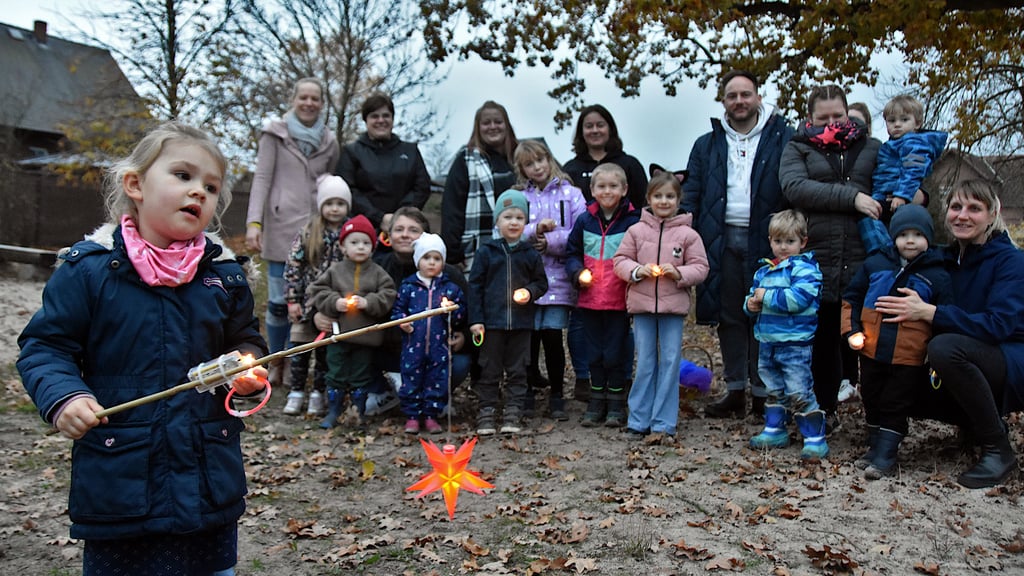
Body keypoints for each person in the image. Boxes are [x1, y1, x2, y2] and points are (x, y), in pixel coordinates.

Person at [17, 122, 268, 576]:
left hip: (206, 478)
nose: (199, 192)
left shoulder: (225, 278)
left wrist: (246, 373)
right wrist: (65, 396)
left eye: (210, 186)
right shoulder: (90, 271)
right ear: (134, 184)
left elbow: (246, 342)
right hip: (121, 482)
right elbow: (44, 347)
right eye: (183, 176)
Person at [874, 179, 1024, 489]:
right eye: (956, 207)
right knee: (898, 370)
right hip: (968, 356)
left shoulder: (1012, 261)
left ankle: (998, 449)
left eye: (974, 209)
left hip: (1010, 358)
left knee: (945, 348)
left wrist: (930, 313)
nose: (963, 216)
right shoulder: (944, 258)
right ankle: (968, 426)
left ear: (993, 213)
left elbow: (998, 325)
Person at [682, 69, 794, 419]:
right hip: (721, 237)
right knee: (730, 316)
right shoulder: (706, 143)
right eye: (732, 96)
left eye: (746, 94)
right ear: (724, 102)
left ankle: (763, 391)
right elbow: (693, 193)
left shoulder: (783, 138)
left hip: (770, 238)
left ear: (758, 97)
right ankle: (734, 389)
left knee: (765, 315)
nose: (739, 101)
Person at [779, 84, 881, 432]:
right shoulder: (797, 148)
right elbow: (795, 188)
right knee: (822, 341)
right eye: (823, 118)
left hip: (863, 255)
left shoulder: (871, 147)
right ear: (810, 118)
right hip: (816, 257)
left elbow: (890, 185)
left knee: (865, 338)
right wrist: (852, 198)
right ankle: (824, 411)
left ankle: (880, 417)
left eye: (838, 115)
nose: (832, 122)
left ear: (847, 111)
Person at [841, 205, 954, 479]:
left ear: (929, 237)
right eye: (904, 234)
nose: (910, 240)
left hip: (909, 357)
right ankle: (875, 446)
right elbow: (851, 299)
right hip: (871, 350)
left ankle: (886, 455)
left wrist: (933, 352)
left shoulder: (937, 274)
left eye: (918, 234)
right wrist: (851, 331)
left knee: (896, 402)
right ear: (893, 237)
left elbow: (945, 315)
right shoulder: (875, 264)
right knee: (872, 396)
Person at [246, 78, 340, 388]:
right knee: (277, 302)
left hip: (316, 233)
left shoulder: (329, 141)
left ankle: (296, 356)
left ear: (322, 103)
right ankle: (276, 360)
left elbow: (330, 184)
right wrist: (254, 223)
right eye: (304, 97)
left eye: (315, 98)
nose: (309, 103)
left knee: (306, 301)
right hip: (280, 226)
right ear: (294, 99)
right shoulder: (275, 134)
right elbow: (261, 178)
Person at [613, 172, 709, 437]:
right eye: (658, 196)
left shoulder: (688, 235)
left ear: (678, 199)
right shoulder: (636, 230)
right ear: (648, 199)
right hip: (642, 307)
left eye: (669, 196)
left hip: (673, 309)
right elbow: (619, 260)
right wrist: (636, 270)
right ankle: (638, 420)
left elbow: (701, 267)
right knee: (644, 362)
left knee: (669, 361)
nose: (663, 201)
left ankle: (664, 422)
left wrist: (680, 274)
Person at [743, 210, 828, 459]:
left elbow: (798, 299)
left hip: (795, 343)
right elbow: (753, 296)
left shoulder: (806, 270)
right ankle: (775, 429)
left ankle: (814, 437)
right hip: (768, 341)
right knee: (773, 388)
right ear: (770, 240)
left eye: (790, 242)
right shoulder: (764, 271)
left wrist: (766, 298)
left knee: (798, 390)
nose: (783, 247)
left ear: (803, 242)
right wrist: (750, 305)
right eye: (778, 241)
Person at [370, 207, 473, 408]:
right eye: (399, 229)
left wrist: (464, 338)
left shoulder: (450, 276)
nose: (405, 235)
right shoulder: (376, 268)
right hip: (390, 351)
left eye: (413, 230)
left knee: (461, 363)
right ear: (389, 235)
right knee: (357, 349)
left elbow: (469, 314)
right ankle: (384, 390)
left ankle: (436, 396)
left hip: (436, 351)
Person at [516, 139, 587, 420]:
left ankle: (557, 393)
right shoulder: (520, 196)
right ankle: (530, 391)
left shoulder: (571, 194)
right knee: (530, 339)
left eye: (540, 160)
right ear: (522, 169)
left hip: (558, 278)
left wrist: (552, 242)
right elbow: (509, 226)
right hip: (528, 280)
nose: (537, 167)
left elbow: (581, 230)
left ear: (549, 159)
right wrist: (534, 232)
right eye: (529, 164)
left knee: (553, 336)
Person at [467, 189, 548, 435]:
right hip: (492, 324)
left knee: (518, 369)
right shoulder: (487, 252)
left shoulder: (530, 253)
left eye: (519, 218)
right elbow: (475, 287)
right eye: (507, 217)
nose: (513, 222)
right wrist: (477, 320)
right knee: (489, 368)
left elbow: (541, 284)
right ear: (497, 221)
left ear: (525, 222)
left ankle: (514, 410)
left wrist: (530, 293)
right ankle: (487, 411)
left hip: (521, 325)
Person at [566, 163, 641, 428]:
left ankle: (616, 404)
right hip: (589, 300)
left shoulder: (633, 221)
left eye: (613, 186)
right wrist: (577, 274)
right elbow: (572, 252)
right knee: (594, 355)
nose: (607, 191)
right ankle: (596, 402)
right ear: (592, 189)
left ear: (624, 189)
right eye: (601, 186)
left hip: (619, 301)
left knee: (615, 354)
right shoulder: (585, 220)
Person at [307, 215, 397, 429]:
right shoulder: (335, 270)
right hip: (338, 335)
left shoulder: (377, 273)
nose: (360, 247)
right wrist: (334, 302)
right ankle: (334, 411)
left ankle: (358, 411)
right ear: (343, 246)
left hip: (366, 337)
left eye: (366, 243)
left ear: (373, 247)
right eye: (354, 242)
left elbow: (389, 294)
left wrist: (368, 302)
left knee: (361, 375)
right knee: (335, 373)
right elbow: (317, 290)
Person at [281, 174, 350, 416]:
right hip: (306, 302)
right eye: (329, 203)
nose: (334, 208)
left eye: (340, 204)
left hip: (332, 303)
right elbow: (293, 267)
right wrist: (292, 299)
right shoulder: (310, 231)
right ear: (321, 205)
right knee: (300, 347)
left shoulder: (348, 233)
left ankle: (318, 392)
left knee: (324, 351)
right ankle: (296, 391)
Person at [391, 233, 466, 434]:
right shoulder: (408, 287)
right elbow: (397, 311)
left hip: (439, 346)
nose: (431, 263)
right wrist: (403, 322)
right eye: (426, 258)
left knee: (437, 380)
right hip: (412, 346)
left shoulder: (450, 288)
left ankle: (432, 415)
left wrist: (453, 311)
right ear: (418, 260)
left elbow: (460, 316)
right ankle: (413, 416)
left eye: (437, 258)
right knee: (411, 380)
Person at [858, 95, 948, 255]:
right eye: (892, 121)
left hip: (896, 196)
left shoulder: (913, 143)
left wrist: (902, 196)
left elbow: (913, 171)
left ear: (917, 123)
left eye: (904, 119)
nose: (897, 124)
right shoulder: (892, 144)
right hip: (885, 194)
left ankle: (885, 252)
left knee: (868, 219)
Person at [336, 92, 432, 233]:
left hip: (406, 229)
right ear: (366, 120)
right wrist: (379, 218)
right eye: (374, 116)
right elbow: (348, 190)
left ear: (392, 119)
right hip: (364, 231)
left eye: (386, 115)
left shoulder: (410, 151)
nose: (381, 120)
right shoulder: (351, 152)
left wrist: (400, 217)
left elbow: (422, 187)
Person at [441, 101, 520, 270]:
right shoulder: (465, 160)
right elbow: (452, 207)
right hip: (479, 248)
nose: (492, 127)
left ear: (507, 125)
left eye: (498, 122)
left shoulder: (521, 158)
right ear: (478, 127)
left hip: (520, 247)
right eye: (486, 123)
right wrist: (452, 251)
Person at [563, 104, 648, 208]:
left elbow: (643, 204)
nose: (595, 130)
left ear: (610, 129)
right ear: (581, 132)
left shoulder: (630, 165)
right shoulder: (570, 170)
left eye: (600, 125)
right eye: (589, 126)